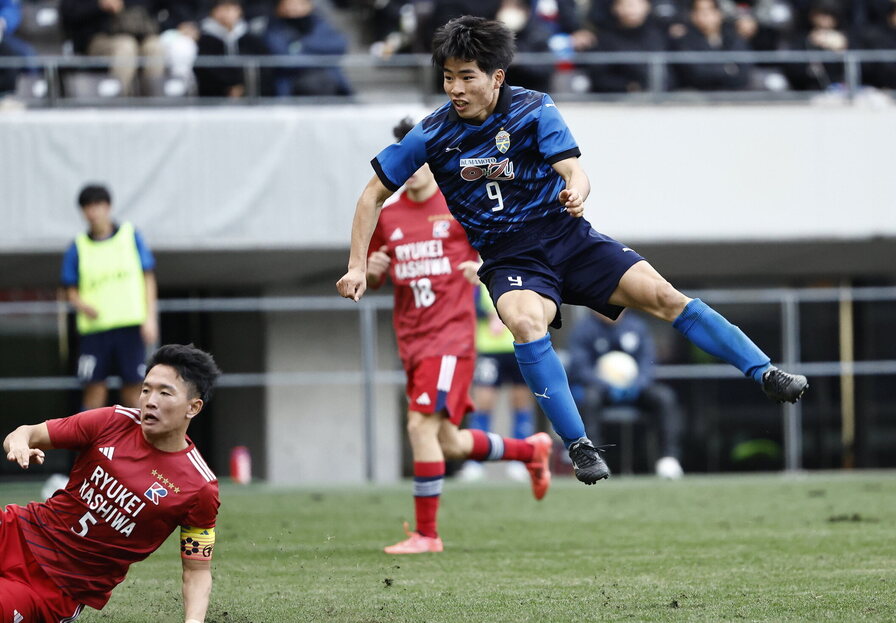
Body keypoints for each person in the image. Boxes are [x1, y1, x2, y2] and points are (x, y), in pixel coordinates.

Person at [337, 16, 808, 487]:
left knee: (664, 296)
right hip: (510, 258)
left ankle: (764, 372)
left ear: (496, 77)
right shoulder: (431, 134)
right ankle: (579, 445)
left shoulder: (535, 108)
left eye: (466, 76)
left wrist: (576, 191)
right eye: (448, 77)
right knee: (525, 321)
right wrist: (357, 265)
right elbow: (371, 195)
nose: (455, 88)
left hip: (569, 237)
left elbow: (573, 169)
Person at [365, 117, 553, 555]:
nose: (410, 167)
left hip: (450, 339)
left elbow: (505, 245)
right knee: (447, 441)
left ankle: (427, 535)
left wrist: (485, 270)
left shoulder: (458, 206)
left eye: (416, 157)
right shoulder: (388, 216)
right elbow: (375, 269)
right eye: (402, 159)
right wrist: (372, 272)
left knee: (417, 426)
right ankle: (530, 451)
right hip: (411, 340)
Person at [1, 344, 221, 621]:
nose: (150, 400)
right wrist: (19, 444)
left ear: (193, 407)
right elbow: (26, 432)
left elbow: (197, 570)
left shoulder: (199, 487)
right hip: (14, 533)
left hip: (55, 589)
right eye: (145, 389)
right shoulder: (111, 421)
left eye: (164, 392)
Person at [61, 183, 159, 411]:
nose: (93, 212)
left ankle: (141, 443)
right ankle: (91, 446)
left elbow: (148, 277)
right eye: (87, 207)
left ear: (108, 206)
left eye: (97, 205)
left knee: (135, 388)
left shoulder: (130, 236)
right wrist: (82, 305)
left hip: (130, 327)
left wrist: (150, 317)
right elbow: (69, 289)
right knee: (94, 390)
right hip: (94, 331)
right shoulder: (78, 246)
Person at [568, 310, 686, 477]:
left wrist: (637, 385)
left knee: (664, 397)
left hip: (635, 388)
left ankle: (669, 458)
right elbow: (580, 367)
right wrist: (606, 385)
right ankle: (594, 460)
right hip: (601, 389)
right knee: (588, 399)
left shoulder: (637, 326)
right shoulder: (584, 329)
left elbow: (647, 362)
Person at [461, 284, 539, 482]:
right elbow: (467, 302)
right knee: (483, 402)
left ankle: (521, 460)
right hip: (490, 348)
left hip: (520, 344)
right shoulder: (478, 268)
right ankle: (475, 461)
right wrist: (488, 314)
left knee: (521, 401)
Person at [59, 0, 166, 96]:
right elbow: (68, 12)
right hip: (98, 38)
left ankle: (154, 102)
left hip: (139, 34)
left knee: (155, 46)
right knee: (126, 46)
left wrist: (125, 4)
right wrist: (99, 4)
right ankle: (119, 102)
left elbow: (156, 6)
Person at [263, 0, 352, 96]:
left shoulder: (320, 24)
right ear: (279, 8)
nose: (294, 9)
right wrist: (321, 57)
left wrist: (302, 45)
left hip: (330, 81)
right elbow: (283, 58)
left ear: (309, 6)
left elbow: (339, 46)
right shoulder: (274, 30)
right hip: (291, 85)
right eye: (289, 5)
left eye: (299, 4)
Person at [586, 0, 668, 94]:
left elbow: (670, 72)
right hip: (617, 100)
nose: (631, 10)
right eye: (626, 5)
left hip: (661, 98)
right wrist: (628, 86)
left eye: (636, 4)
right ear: (615, 8)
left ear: (647, 6)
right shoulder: (605, 39)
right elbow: (598, 77)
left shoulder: (658, 35)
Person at [669, 0, 751, 91]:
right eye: (700, 10)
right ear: (692, 15)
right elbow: (697, 74)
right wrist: (728, 69)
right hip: (699, 96)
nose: (705, 15)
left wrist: (714, 68)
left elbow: (744, 74)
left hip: (733, 94)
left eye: (710, 10)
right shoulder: (684, 40)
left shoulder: (733, 38)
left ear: (719, 13)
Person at [196, 0, 271, 98]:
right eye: (222, 9)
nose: (226, 14)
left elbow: (264, 64)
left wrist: (242, 86)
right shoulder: (203, 39)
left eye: (230, 9)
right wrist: (228, 87)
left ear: (239, 11)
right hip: (213, 96)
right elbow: (205, 69)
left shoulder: (250, 38)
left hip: (249, 93)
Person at [0, 0, 38, 96]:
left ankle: (31, 96)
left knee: (28, 55)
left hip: (4, 36)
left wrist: (3, 21)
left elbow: (11, 9)